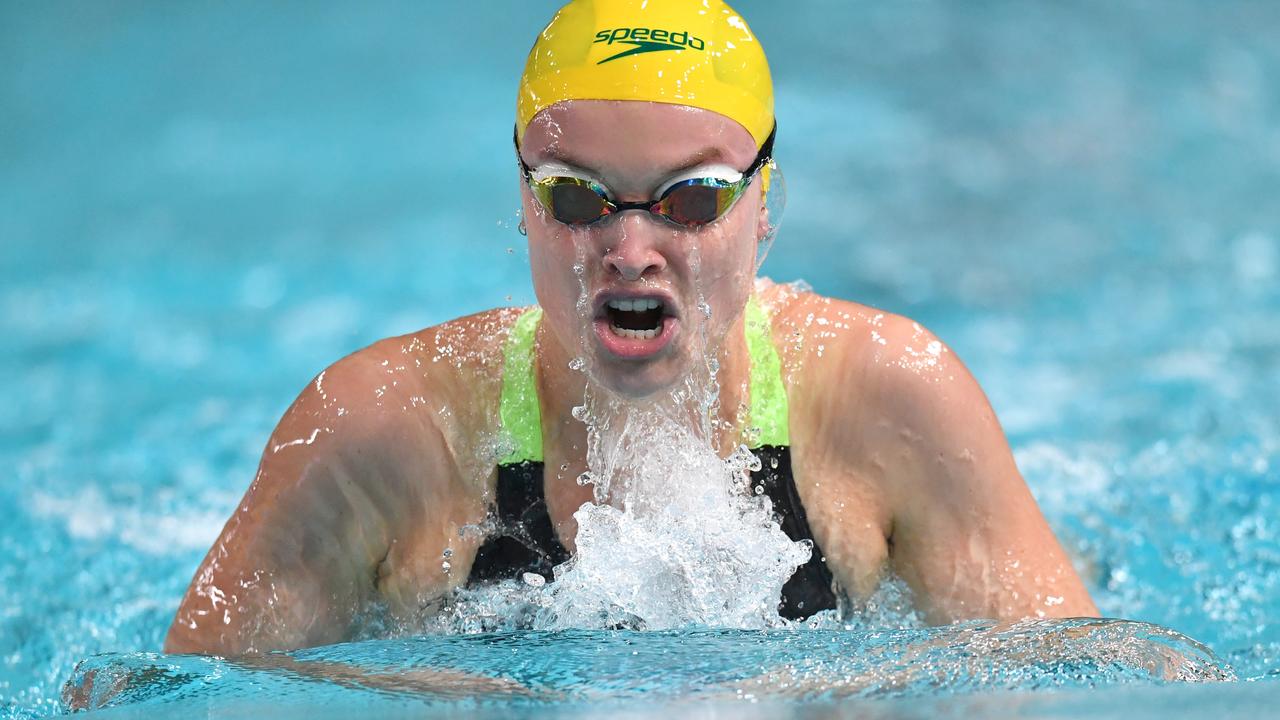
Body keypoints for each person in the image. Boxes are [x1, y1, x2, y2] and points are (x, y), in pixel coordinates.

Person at [165, 0, 1097, 656]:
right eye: (580, 197)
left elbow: (1071, 684)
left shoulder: (890, 397)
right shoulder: (379, 433)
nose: (631, 247)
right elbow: (175, 697)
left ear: (765, 202)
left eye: (693, 199)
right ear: (523, 203)